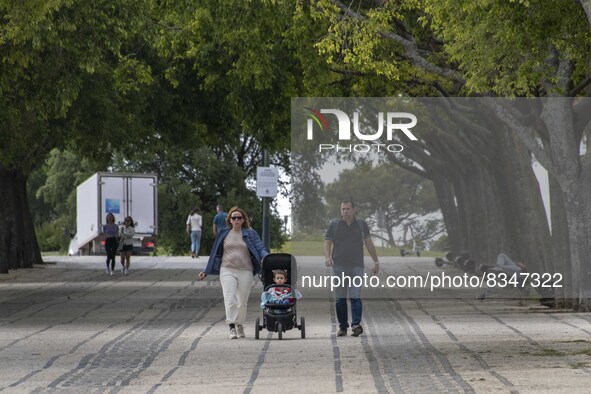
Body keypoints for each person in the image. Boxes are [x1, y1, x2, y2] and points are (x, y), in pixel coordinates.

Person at [199, 206, 269, 339]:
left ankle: (240, 325)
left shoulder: (250, 233)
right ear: (230, 220)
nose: (236, 220)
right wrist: (206, 271)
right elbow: (215, 254)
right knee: (230, 298)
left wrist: (267, 257)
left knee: (242, 301)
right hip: (227, 270)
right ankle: (231, 326)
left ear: (243, 220)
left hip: (246, 271)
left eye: (239, 217)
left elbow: (260, 248)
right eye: (234, 217)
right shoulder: (223, 233)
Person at [324, 200, 379, 337]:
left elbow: (368, 242)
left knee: (355, 295)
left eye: (348, 209)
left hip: (356, 266)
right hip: (339, 265)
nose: (345, 212)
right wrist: (327, 257)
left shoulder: (361, 224)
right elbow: (328, 242)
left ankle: (356, 324)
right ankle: (343, 327)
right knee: (340, 298)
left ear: (354, 210)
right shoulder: (335, 225)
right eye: (343, 209)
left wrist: (376, 262)